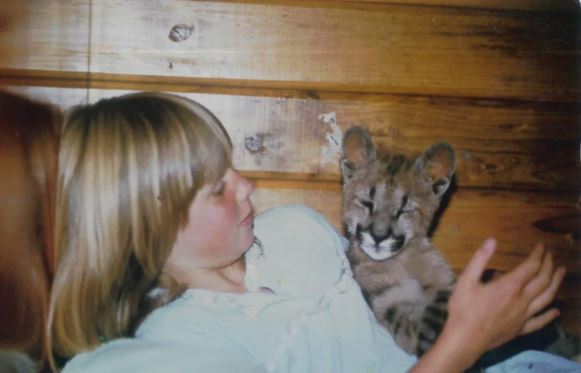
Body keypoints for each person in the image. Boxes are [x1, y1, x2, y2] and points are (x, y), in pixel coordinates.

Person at [47, 92, 580, 373]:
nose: (248, 183)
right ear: (150, 226)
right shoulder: (178, 345)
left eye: (232, 164)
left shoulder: (296, 230)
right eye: (216, 187)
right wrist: (465, 343)